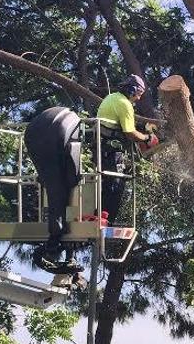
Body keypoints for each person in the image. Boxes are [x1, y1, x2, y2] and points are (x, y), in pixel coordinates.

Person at [24, 106, 83, 273]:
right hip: (53, 134)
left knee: (55, 185)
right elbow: (71, 178)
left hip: (37, 133)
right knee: (61, 186)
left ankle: (56, 240)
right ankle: (55, 238)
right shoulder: (68, 128)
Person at [95, 74, 159, 224]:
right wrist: (147, 138)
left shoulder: (112, 97)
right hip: (111, 149)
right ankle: (107, 220)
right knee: (117, 183)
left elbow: (122, 124)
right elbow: (129, 133)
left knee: (105, 182)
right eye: (138, 94)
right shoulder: (125, 104)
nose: (138, 98)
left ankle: (99, 215)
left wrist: (143, 129)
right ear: (132, 90)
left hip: (100, 146)